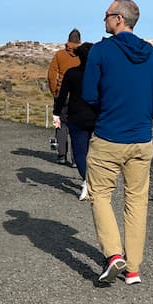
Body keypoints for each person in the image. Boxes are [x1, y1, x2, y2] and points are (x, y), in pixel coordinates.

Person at [82, 0, 153, 286]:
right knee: (137, 201)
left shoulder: (100, 51)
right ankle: (133, 269)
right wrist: (142, 116)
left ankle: (113, 254)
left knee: (100, 194)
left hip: (108, 137)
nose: (104, 20)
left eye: (107, 15)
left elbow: (89, 94)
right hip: (142, 140)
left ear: (119, 19)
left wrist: (110, 113)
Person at [52, 42, 97, 200]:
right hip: (97, 118)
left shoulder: (71, 73)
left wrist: (56, 113)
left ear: (79, 56)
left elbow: (62, 95)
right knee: (94, 152)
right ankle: (95, 182)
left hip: (77, 117)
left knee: (79, 152)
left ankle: (86, 181)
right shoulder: (101, 74)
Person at [46, 28, 81, 164]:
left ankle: (61, 155)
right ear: (79, 41)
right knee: (77, 127)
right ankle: (76, 159)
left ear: (68, 40)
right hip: (78, 97)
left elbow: (51, 75)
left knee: (60, 124)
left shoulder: (60, 55)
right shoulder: (83, 55)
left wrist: (55, 91)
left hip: (62, 95)